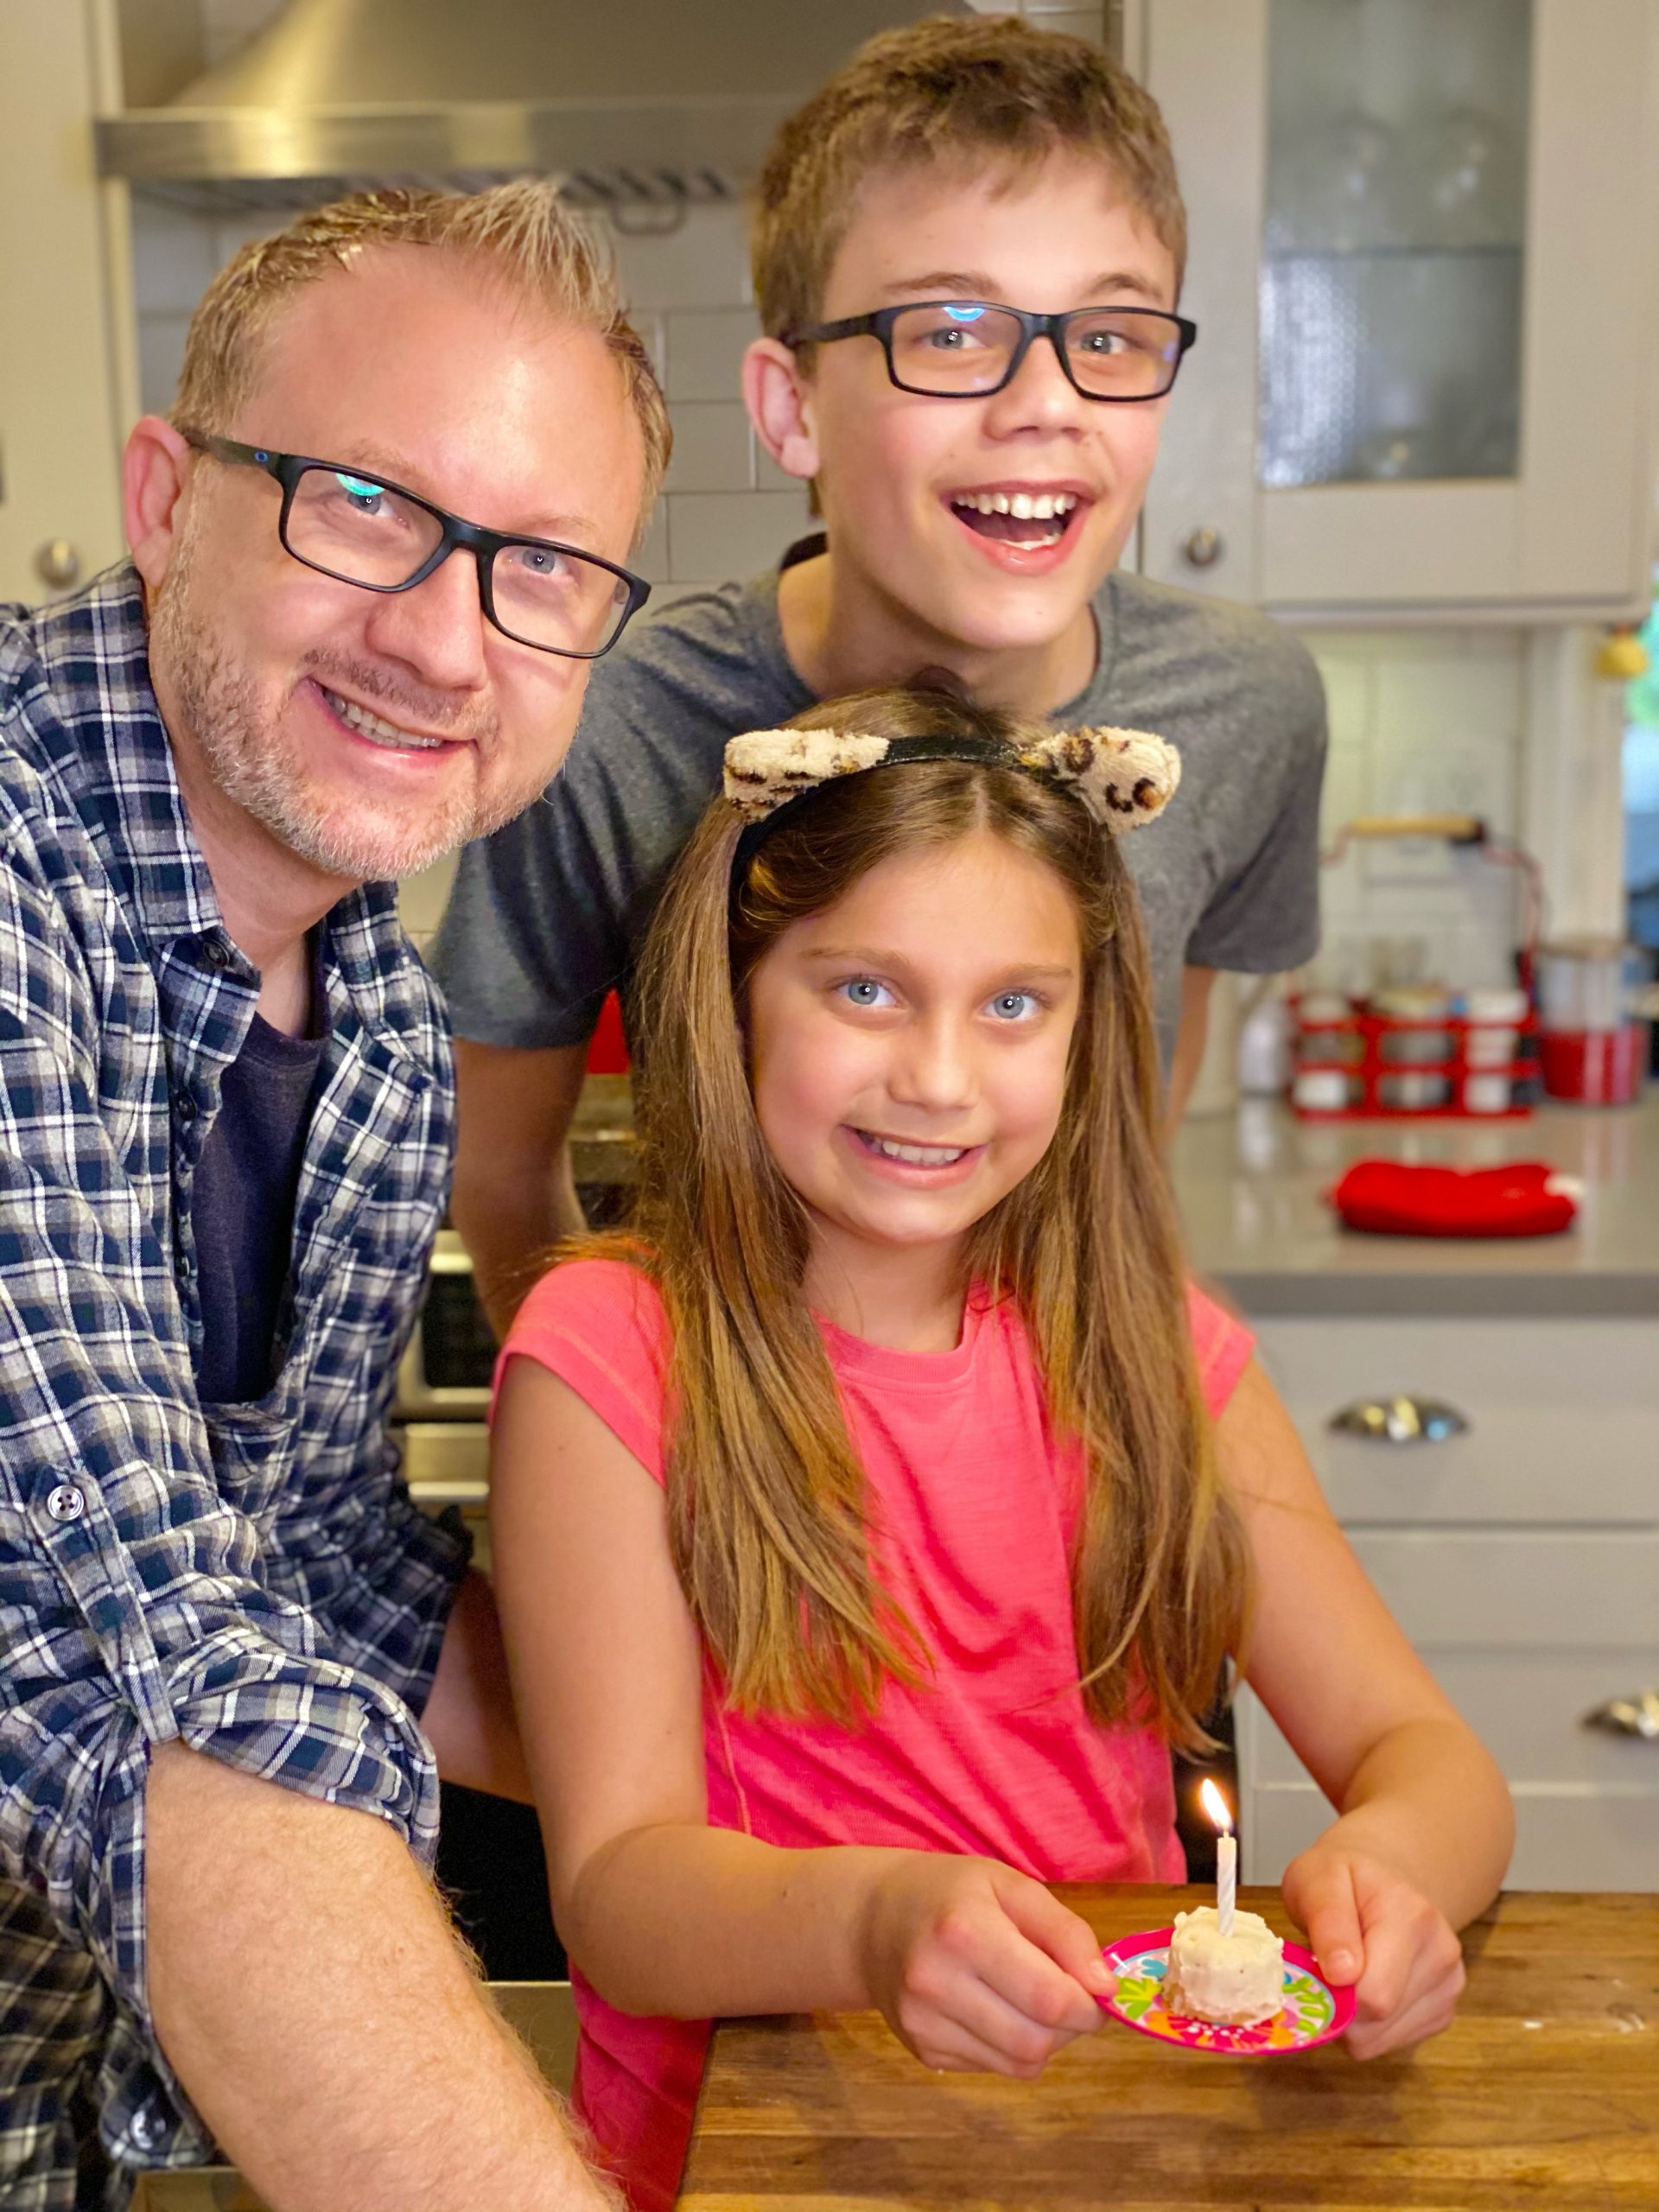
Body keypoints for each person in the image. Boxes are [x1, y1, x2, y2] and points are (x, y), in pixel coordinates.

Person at [487, 689, 1514, 2211]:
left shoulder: (1159, 1353)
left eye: (1015, 1006)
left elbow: (1427, 1760)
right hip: (758, 2154)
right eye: (865, 992)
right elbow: (623, 1889)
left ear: (1090, 1030)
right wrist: (872, 1925)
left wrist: (1404, 1878)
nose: (944, 1079)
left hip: (1099, 2139)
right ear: (735, 991)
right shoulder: (608, 1358)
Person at [0, 181, 668, 2211]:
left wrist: (814, 1793)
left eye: (543, 564)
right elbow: (129, 1648)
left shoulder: (373, 1019)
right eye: (365, 502)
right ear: (163, 494)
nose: (445, 635)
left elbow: (332, 1583)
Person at [433, 14, 1330, 1340]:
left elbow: (1132, 1144)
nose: (1047, 403)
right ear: (790, 406)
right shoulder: (603, 717)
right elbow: (501, 1173)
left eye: (1115, 333)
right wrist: (619, 1442)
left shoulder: (1247, 707)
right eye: (954, 331)